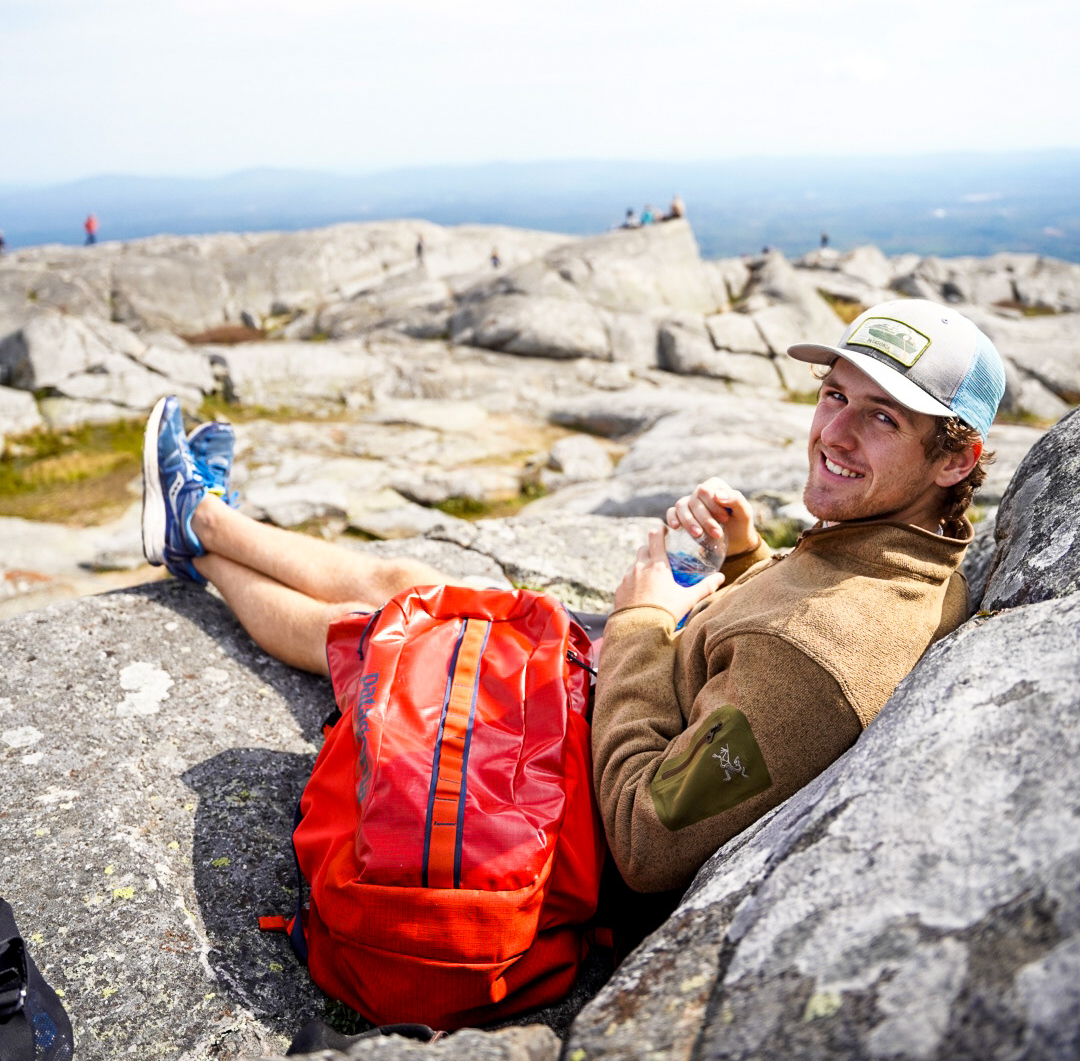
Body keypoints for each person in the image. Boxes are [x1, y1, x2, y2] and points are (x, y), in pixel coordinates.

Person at [140, 297, 1003, 897]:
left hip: (565, 794)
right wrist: (746, 557)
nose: (834, 434)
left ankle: (199, 537)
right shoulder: (910, 555)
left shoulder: (817, 659)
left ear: (955, 460)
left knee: (383, 632)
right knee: (420, 587)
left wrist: (639, 622)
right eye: (834, 395)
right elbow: (791, 617)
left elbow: (643, 838)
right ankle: (202, 523)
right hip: (611, 706)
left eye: (882, 418)